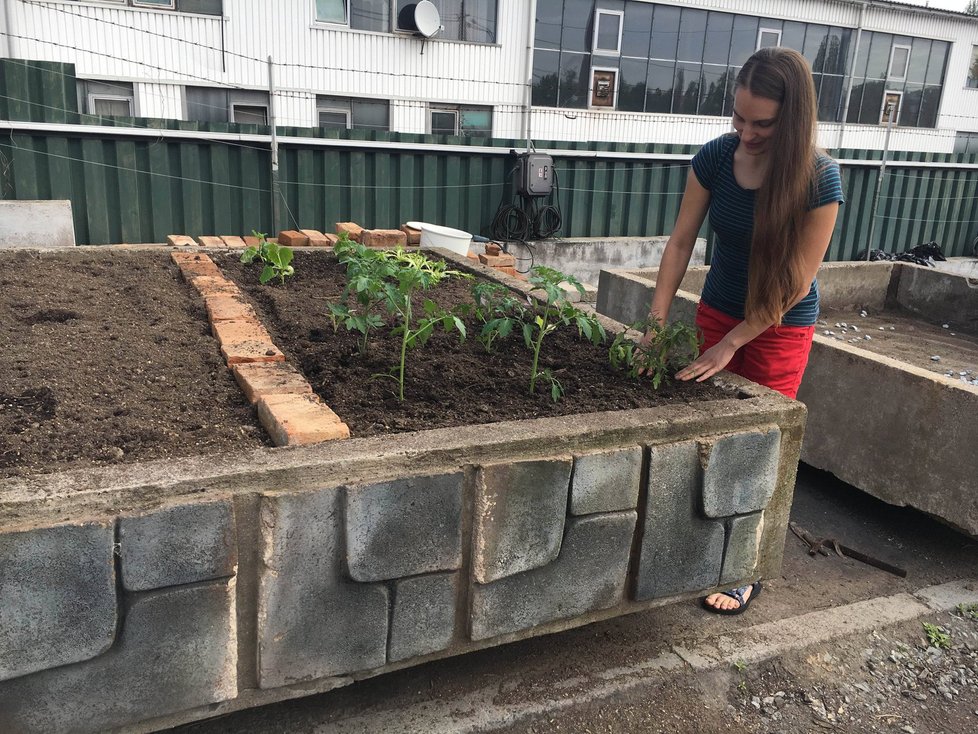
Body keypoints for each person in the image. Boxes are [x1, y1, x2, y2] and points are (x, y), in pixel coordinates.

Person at [642, 47, 844, 615]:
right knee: (707, 437)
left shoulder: (818, 179)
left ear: (794, 117)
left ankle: (743, 565)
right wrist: (656, 322)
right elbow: (681, 242)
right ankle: (701, 543)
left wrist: (737, 342)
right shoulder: (715, 157)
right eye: (739, 118)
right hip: (717, 312)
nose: (746, 133)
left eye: (763, 123)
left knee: (758, 445)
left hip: (777, 330)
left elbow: (798, 282)